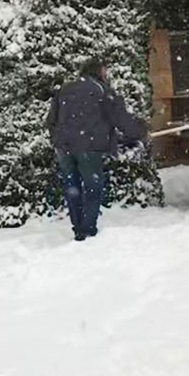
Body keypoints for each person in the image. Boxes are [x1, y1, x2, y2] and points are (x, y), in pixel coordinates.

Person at [46, 58, 148, 241]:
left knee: (72, 186)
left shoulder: (65, 89)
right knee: (93, 186)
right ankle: (88, 228)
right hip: (89, 147)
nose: (106, 74)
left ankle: (77, 228)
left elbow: (50, 120)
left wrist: (57, 139)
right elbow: (120, 119)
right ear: (98, 71)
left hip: (64, 148)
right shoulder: (102, 90)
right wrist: (140, 132)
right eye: (104, 71)